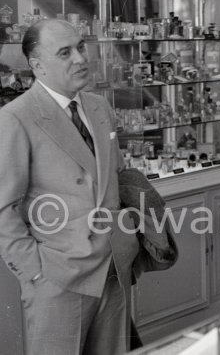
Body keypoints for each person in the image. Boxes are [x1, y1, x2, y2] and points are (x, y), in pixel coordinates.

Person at [0, 19, 140, 354]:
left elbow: (113, 177)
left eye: (80, 47)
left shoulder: (97, 106)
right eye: (65, 52)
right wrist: (35, 274)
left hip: (113, 268)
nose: (80, 58)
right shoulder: (16, 117)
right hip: (59, 276)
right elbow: (3, 208)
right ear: (37, 66)